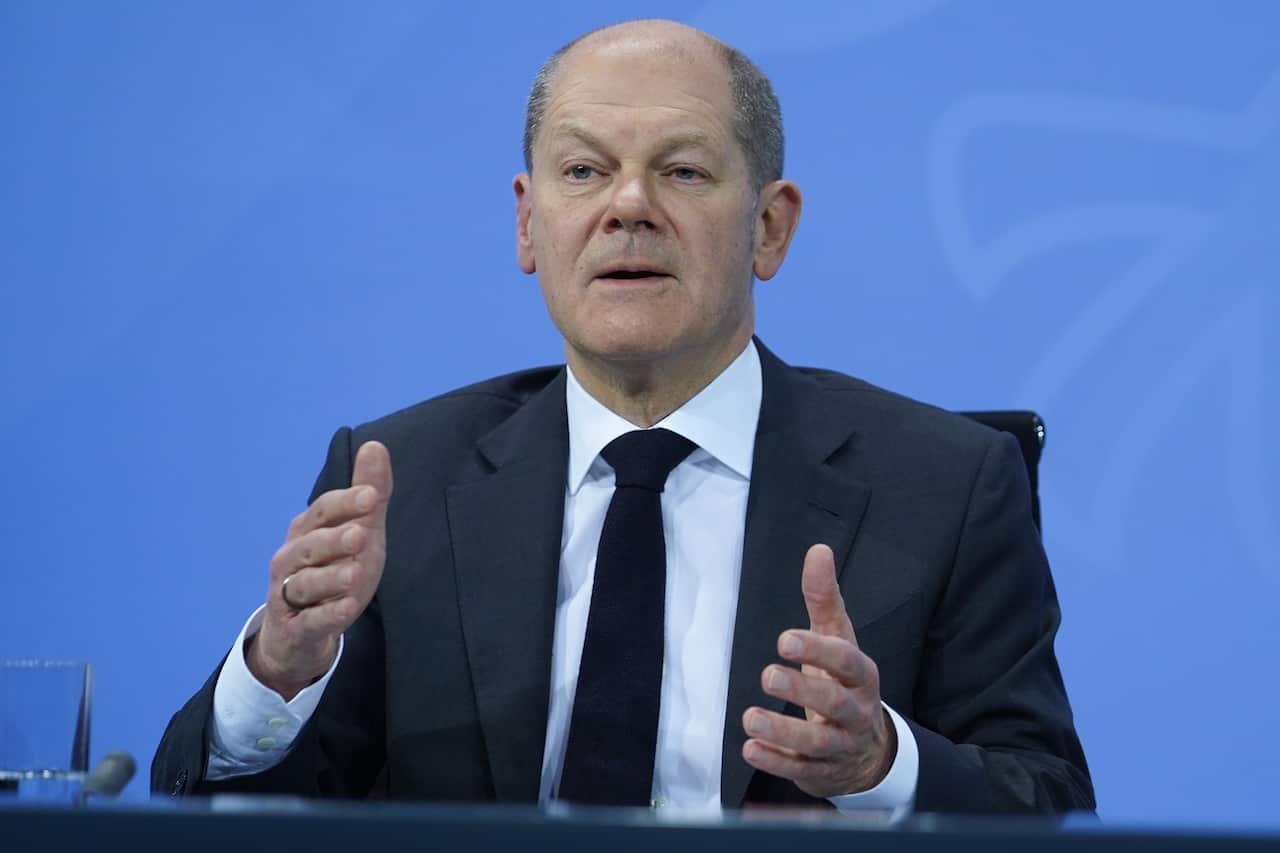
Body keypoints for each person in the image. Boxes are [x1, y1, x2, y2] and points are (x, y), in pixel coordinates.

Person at [152, 19, 1093, 815]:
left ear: (770, 227)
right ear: (528, 223)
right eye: (582, 171)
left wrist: (882, 762)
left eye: (682, 172)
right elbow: (216, 807)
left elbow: (1051, 799)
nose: (628, 207)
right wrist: (278, 672)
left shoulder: (947, 483)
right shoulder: (400, 476)